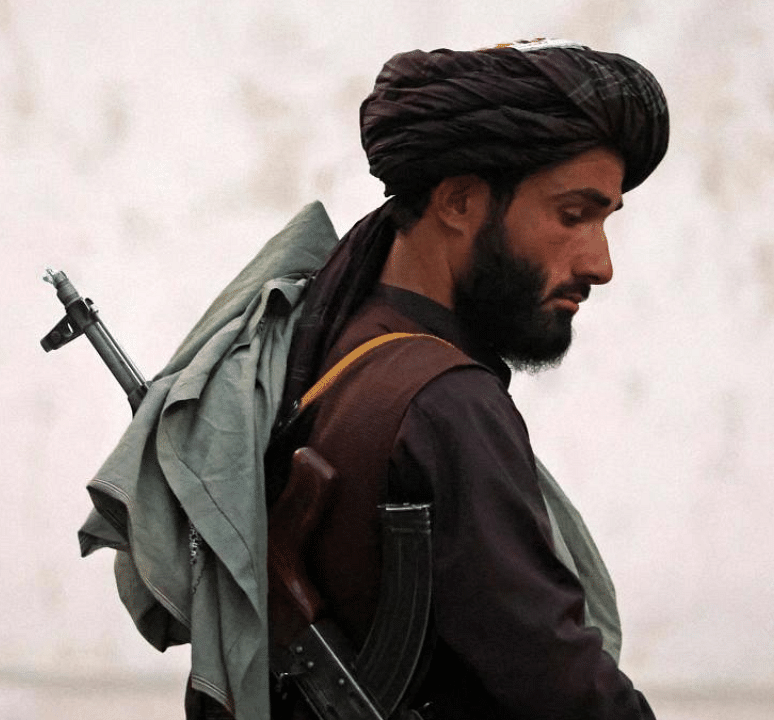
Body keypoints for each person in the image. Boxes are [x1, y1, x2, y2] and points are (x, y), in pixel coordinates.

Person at [178, 39, 668, 719]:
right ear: (460, 202)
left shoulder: (332, 350)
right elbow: (559, 683)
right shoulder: (444, 404)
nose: (600, 263)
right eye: (572, 215)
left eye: (605, 220)